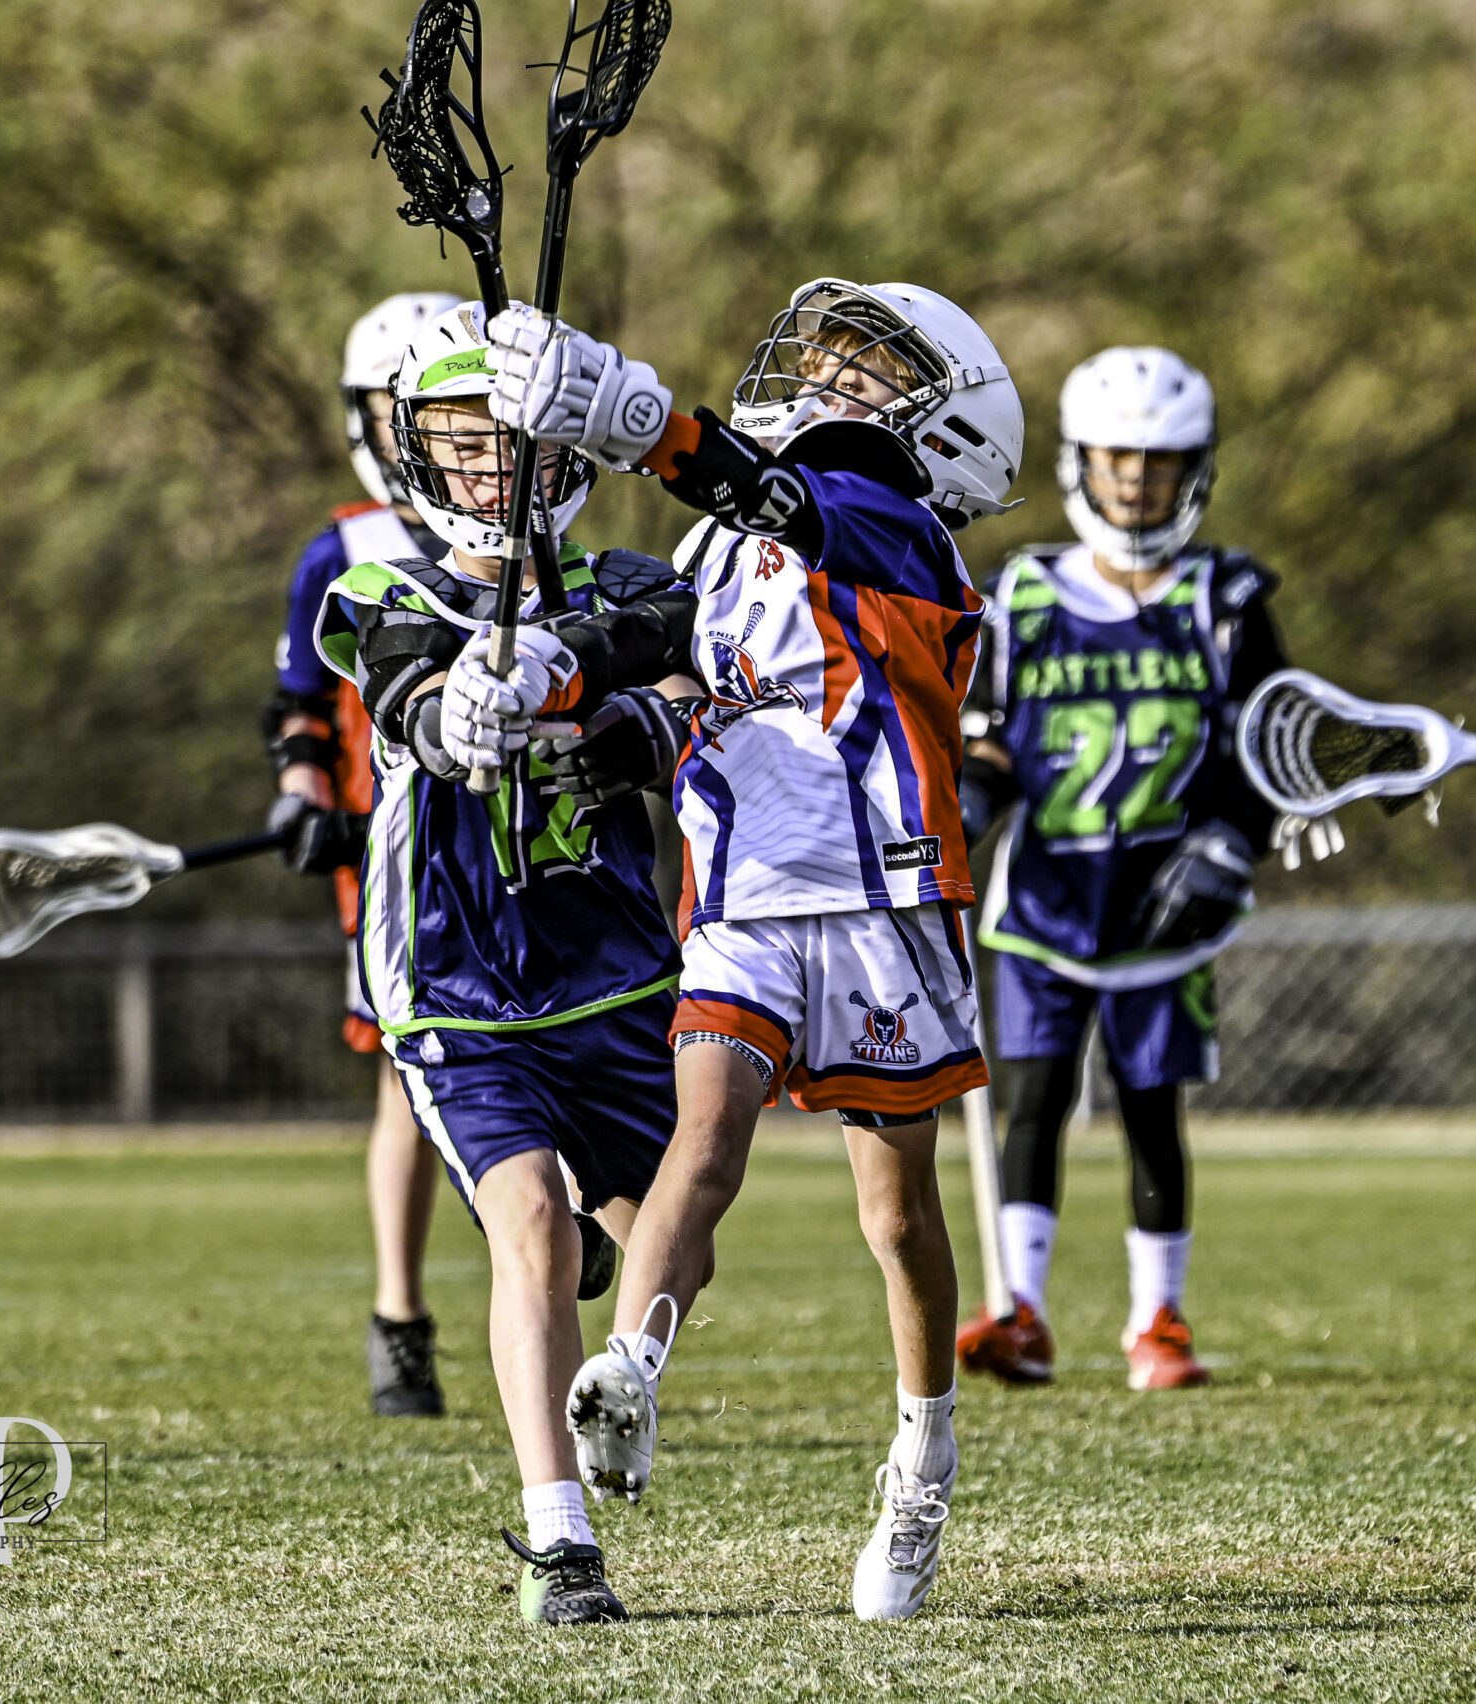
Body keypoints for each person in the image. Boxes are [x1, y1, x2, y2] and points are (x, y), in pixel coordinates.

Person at [459, 277, 1019, 1621]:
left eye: (869, 373)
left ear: (946, 427)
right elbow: (660, 654)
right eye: (832, 361)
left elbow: (779, 499)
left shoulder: (893, 522)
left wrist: (644, 423)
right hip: (745, 898)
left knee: (896, 1217)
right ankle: (631, 1372)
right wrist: (543, 681)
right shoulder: (720, 547)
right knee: (699, 1145)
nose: (831, 381)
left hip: (881, 900)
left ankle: (923, 1459)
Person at [313, 300, 689, 1625]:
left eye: (508, 443)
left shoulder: (632, 585)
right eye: (457, 444)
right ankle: (561, 1542)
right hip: (456, 985)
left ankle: (624, 1366)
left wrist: (589, 696)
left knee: (669, 1239)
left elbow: (673, 659)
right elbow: (403, 684)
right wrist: (454, 709)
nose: (485, 470)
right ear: (417, 453)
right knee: (525, 1220)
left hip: (619, 975)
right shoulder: (384, 590)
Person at [951, 347, 1297, 1392]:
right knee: (1034, 1099)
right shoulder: (1024, 596)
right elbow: (989, 739)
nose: (1137, 482)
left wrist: (1233, 840)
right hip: (1047, 901)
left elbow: (1276, 747)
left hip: (1165, 906)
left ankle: (1158, 1319)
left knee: (1153, 1109)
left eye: (1158, 463)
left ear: (1194, 469)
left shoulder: (1224, 598)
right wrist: (969, 801)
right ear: (1081, 465)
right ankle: (1021, 1310)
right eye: (1118, 461)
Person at [260, 290, 460, 1419]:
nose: (417, 430)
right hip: (387, 864)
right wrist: (303, 797)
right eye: (397, 407)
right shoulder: (342, 551)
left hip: (526, 852)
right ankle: (400, 1320)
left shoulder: (533, 543)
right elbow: (298, 707)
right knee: (408, 1078)